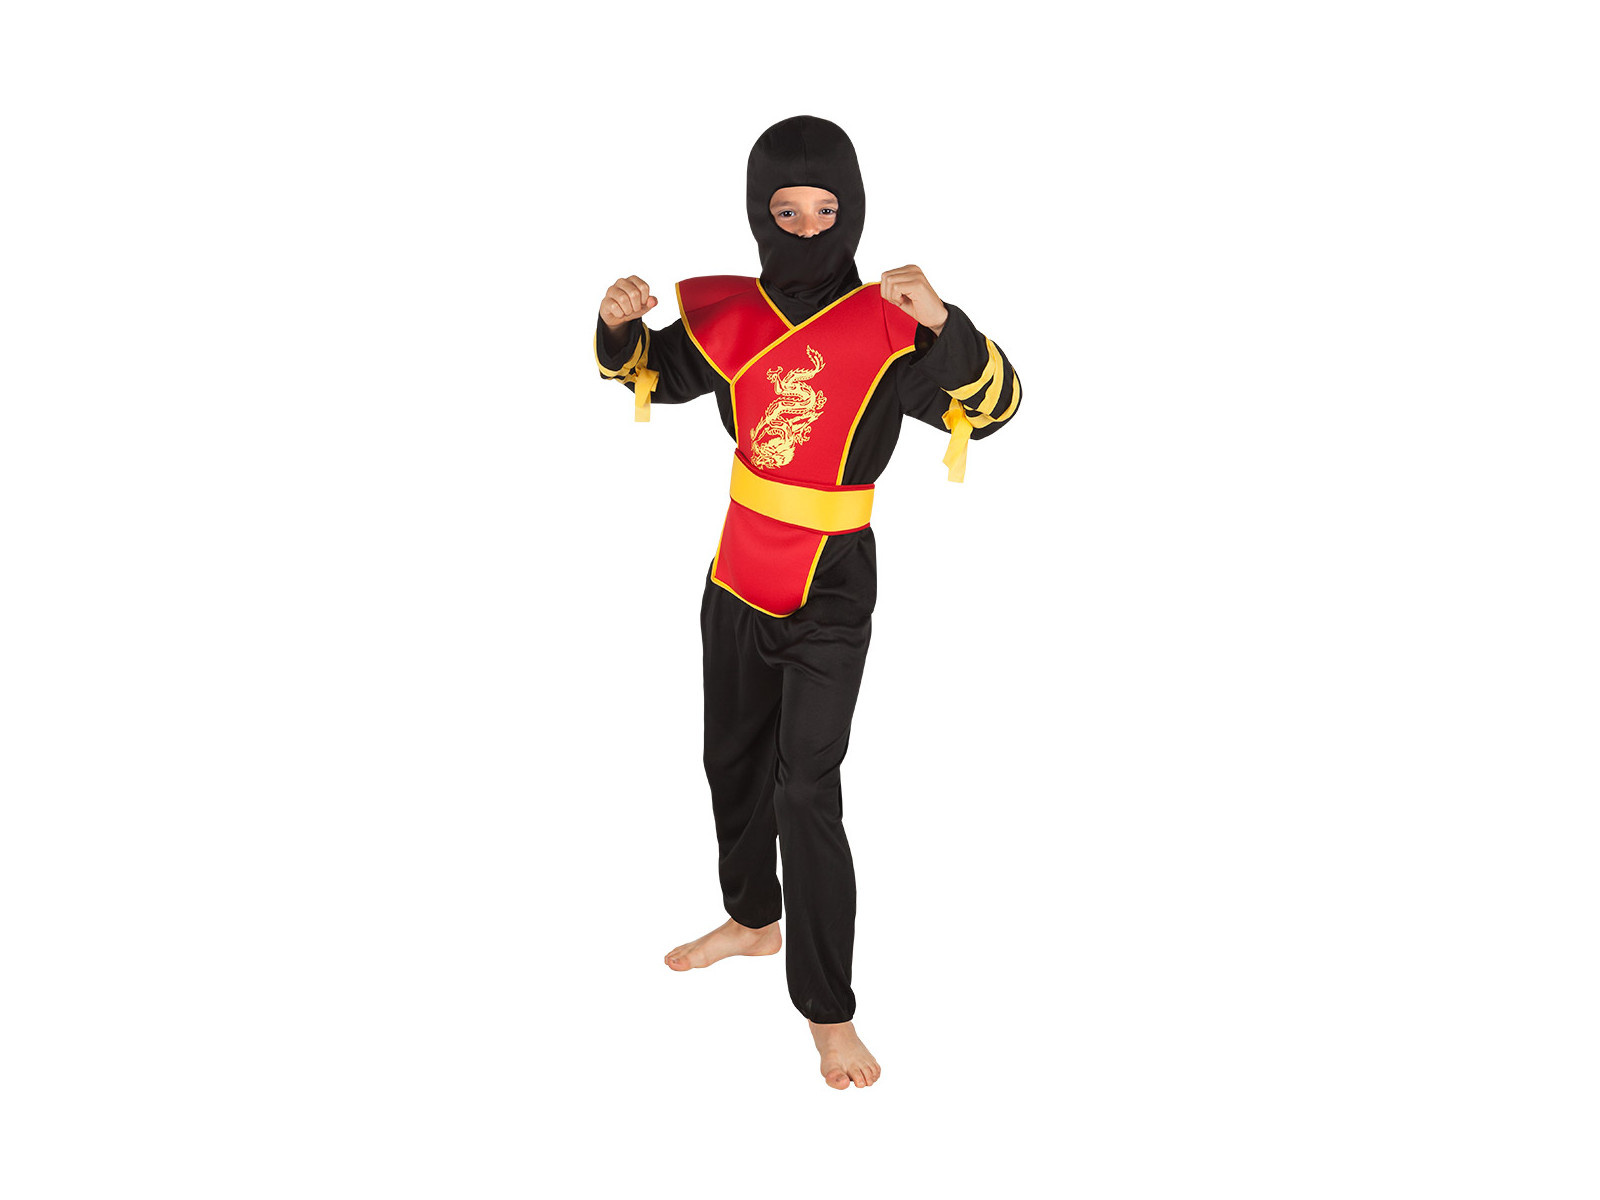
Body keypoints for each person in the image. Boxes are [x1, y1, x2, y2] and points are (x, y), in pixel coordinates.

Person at [592, 115, 1021, 1089]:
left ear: (853, 209)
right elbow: (648, 372)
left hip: (832, 581)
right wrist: (618, 325)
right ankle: (752, 918)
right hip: (736, 566)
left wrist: (945, 323)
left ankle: (829, 1012)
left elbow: (993, 410)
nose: (806, 228)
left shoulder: (894, 325)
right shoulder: (727, 315)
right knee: (731, 758)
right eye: (784, 212)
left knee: (805, 790)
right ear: (758, 214)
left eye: (825, 209)